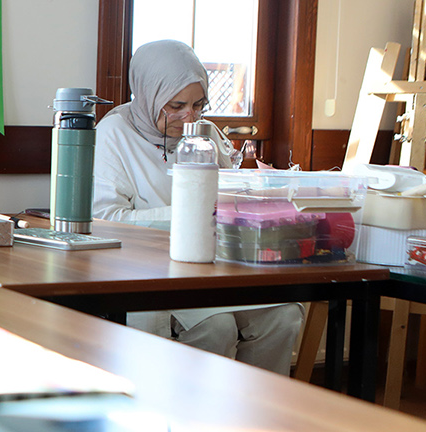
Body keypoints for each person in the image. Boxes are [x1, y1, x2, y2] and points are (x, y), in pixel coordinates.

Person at [93, 40, 301, 374]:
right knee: (216, 327)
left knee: (285, 315)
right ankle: (187, 417)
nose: (188, 117)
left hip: (211, 267)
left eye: (198, 105)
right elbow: (105, 219)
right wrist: (190, 215)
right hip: (149, 270)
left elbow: (232, 194)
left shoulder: (204, 134)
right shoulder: (113, 135)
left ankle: (256, 416)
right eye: (175, 105)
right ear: (148, 95)